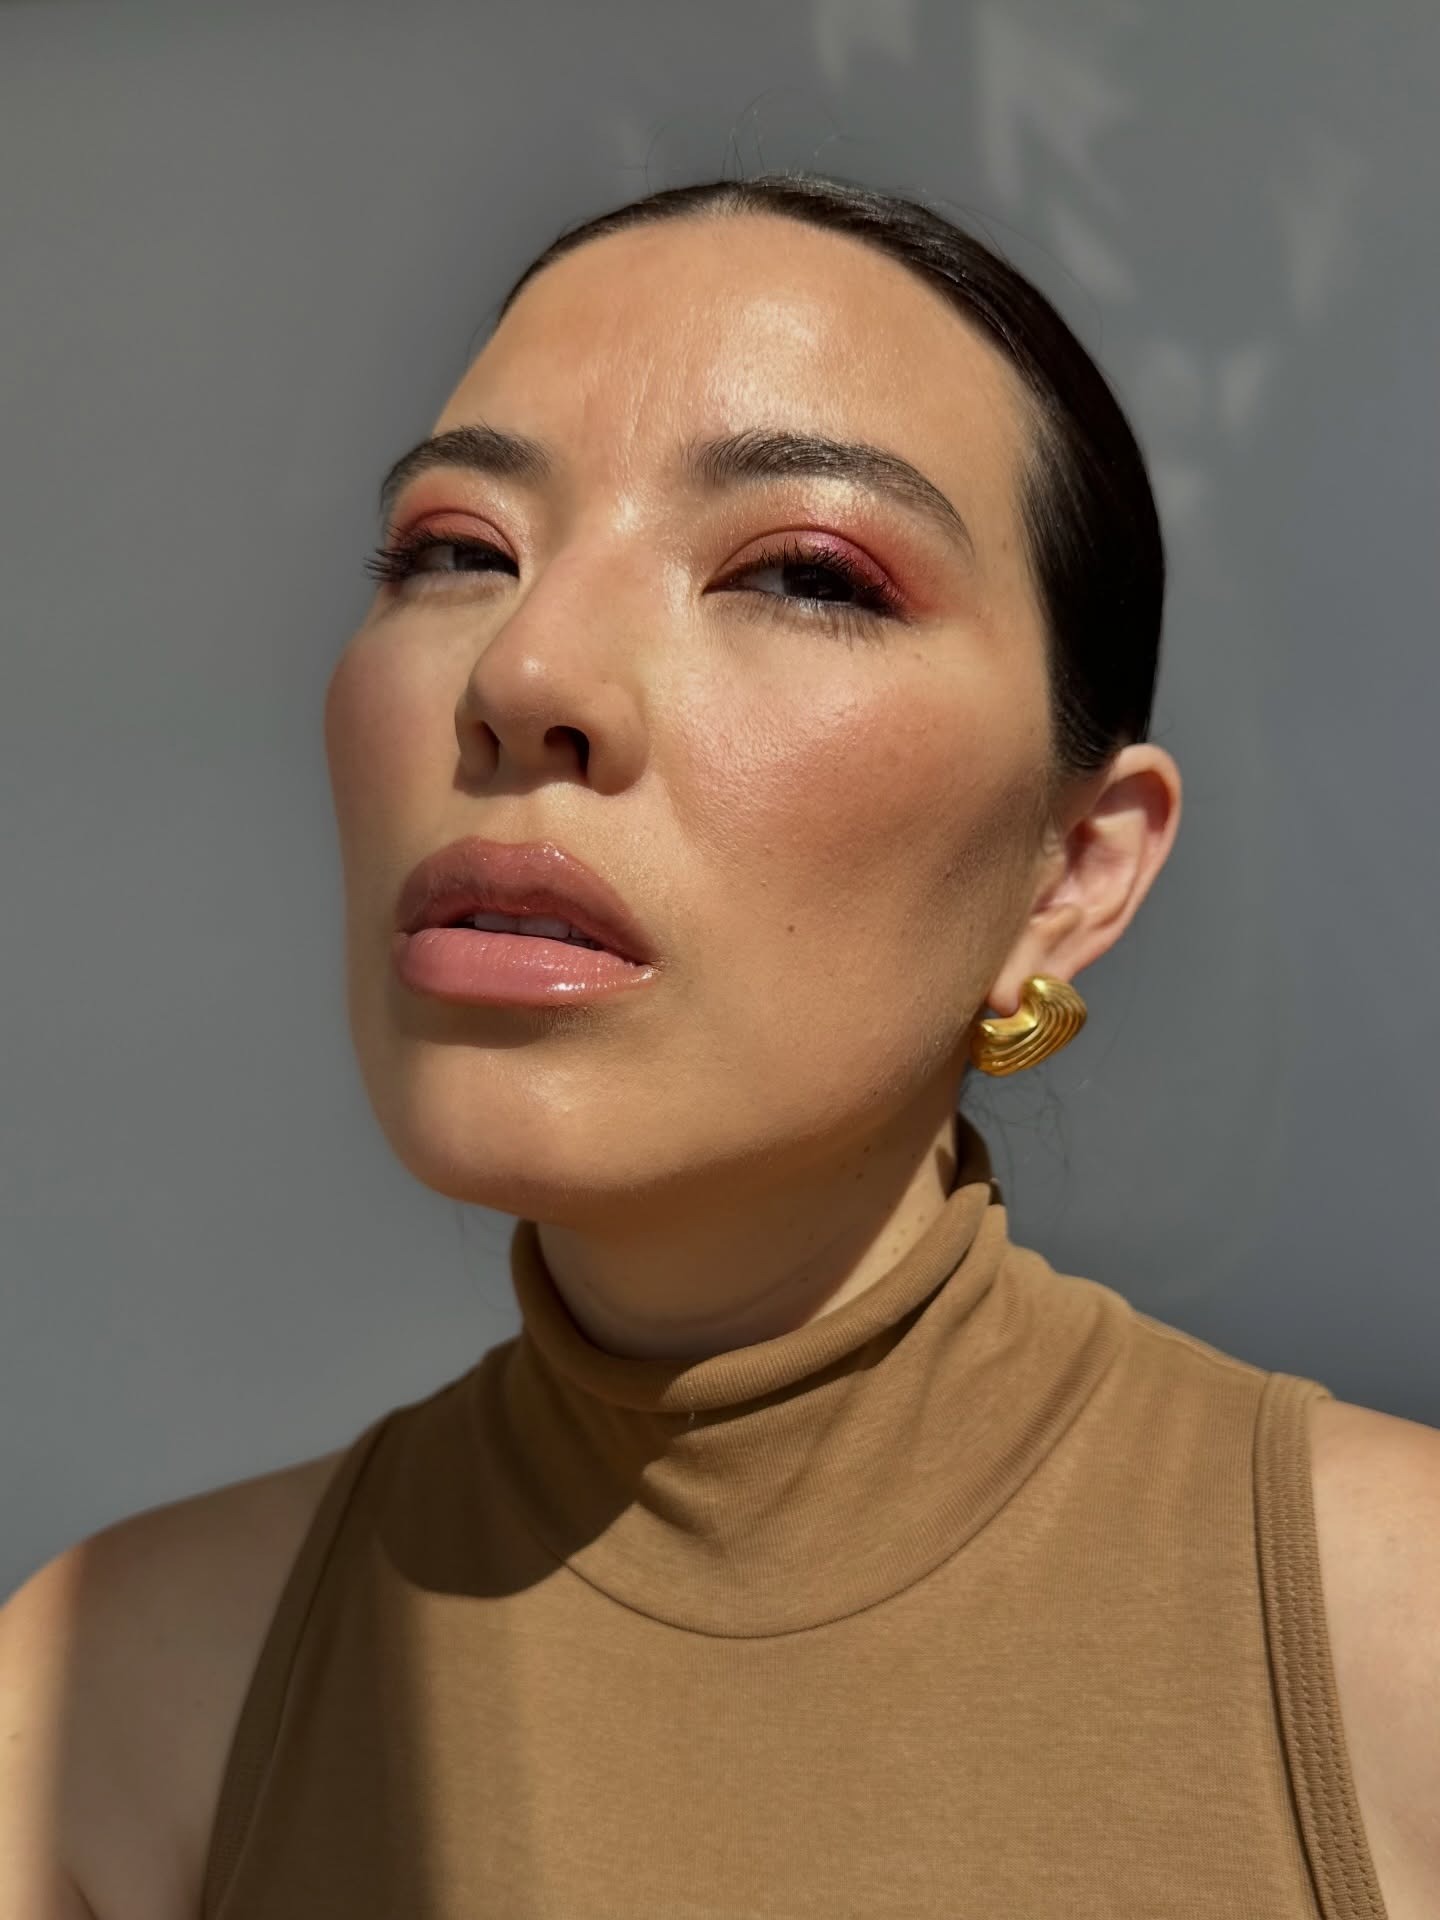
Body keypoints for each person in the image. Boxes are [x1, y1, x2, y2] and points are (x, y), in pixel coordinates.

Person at [4, 173, 1439, 1920]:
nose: (525, 671)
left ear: (1072, 874)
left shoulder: (1399, 1655)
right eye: (456, 551)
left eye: (804, 574)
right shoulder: (107, 1706)